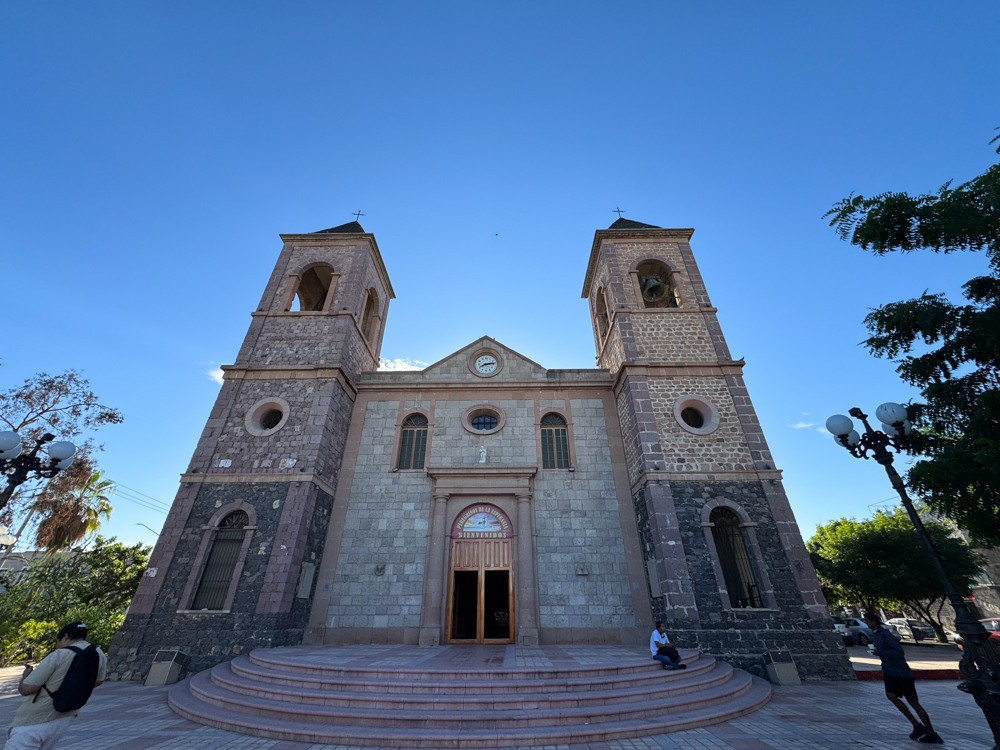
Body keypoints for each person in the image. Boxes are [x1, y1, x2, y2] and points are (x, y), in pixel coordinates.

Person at [4, 622, 107, 750]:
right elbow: (98, 681)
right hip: (64, 717)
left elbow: (26, 689)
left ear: (65, 636)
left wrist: (25, 676)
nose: (58, 645)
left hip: (34, 719)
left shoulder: (59, 655)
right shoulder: (98, 654)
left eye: (58, 641)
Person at [862, 612, 942, 744]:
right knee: (891, 696)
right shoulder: (875, 635)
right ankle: (916, 725)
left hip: (901, 672)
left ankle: (931, 731)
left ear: (874, 622)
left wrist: (880, 652)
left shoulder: (885, 634)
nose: (866, 623)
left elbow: (898, 652)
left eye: (867, 621)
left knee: (913, 702)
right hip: (890, 671)